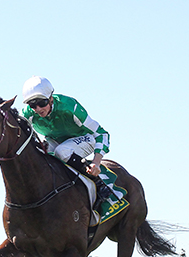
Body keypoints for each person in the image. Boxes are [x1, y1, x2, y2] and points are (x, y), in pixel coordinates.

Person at [21, 76, 123, 220]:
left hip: (85, 139)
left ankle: (98, 183)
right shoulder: (28, 114)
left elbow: (102, 134)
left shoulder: (70, 107)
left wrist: (96, 162)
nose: (38, 109)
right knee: (38, 153)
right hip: (55, 141)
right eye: (33, 105)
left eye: (42, 103)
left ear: (51, 98)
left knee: (62, 151)